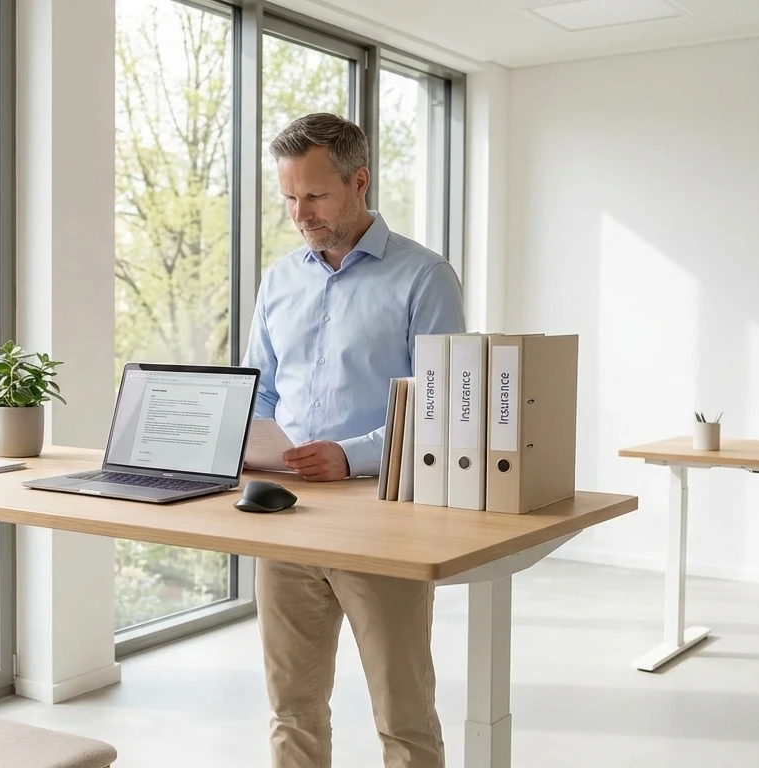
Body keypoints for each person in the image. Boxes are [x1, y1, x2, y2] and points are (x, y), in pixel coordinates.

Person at [242, 112, 466, 768]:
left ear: (359, 181)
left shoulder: (424, 277)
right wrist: (242, 440)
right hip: (285, 517)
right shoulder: (279, 279)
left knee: (401, 716)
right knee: (291, 708)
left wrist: (349, 454)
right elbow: (259, 387)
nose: (298, 213)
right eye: (287, 197)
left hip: (381, 517)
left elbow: (442, 401)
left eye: (313, 195)